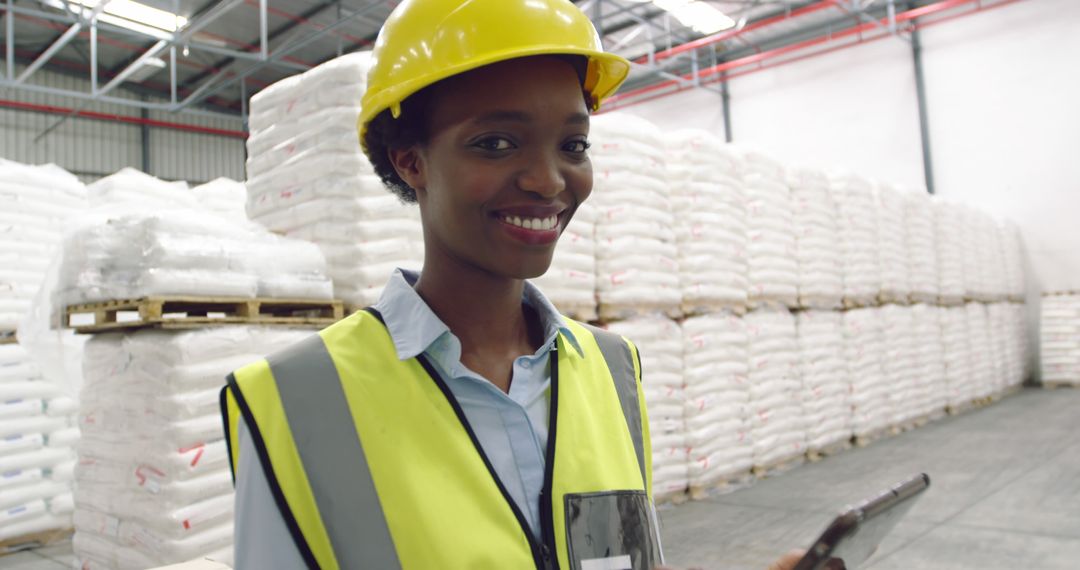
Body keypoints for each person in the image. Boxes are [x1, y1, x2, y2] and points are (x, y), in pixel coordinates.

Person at [221, 0, 803, 568]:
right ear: (410, 160)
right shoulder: (296, 399)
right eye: (496, 143)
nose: (549, 181)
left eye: (573, 145)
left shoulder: (611, 368)